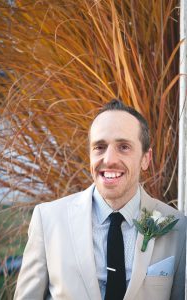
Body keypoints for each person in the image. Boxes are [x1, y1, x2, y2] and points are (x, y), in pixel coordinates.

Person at [14, 99, 186, 300]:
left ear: (146, 159)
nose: (109, 159)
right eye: (100, 147)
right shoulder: (48, 219)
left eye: (123, 147)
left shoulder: (178, 227)